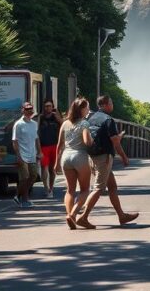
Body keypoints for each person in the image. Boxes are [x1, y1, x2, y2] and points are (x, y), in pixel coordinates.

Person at [78, 95, 139, 228]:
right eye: (111, 103)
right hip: (103, 157)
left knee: (112, 187)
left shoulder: (90, 118)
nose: (112, 105)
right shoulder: (108, 120)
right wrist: (124, 157)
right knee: (98, 188)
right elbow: (115, 142)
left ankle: (121, 216)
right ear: (105, 104)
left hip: (92, 156)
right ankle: (83, 216)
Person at [55, 97, 92, 230]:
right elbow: (87, 142)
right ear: (81, 109)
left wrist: (56, 163)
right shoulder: (84, 123)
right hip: (79, 156)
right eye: (87, 107)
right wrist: (93, 141)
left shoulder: (65, 123)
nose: (88, 110)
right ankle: (73, 214)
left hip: (65, 157)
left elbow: (59, 145)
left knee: (70, 190)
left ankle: (70, 216)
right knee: (85, 189)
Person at [11, 102, 40, 208]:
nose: (29, 111)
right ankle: (25, 199)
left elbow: (36, 138)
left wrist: (39, 151)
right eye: (27, 109)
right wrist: (18, 156)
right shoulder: (18, 124)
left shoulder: (34, 123)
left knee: (33, 176)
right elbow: (15, 141)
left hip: (32, 154)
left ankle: (17, 195)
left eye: (31, 109)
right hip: (22, 155)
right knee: (24, 177)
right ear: (22, 110)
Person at [38, 99, 62, 197]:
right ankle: (46, 188)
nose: (48, 108)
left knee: (52, 169)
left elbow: (63, 125)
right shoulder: (41, 117)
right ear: (44, 107)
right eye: (46, 106)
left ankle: (51, 188)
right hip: (44, 146)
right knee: (44, 168)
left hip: (54, 145)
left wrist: (58, 118)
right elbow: (37, 131)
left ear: (52, 107)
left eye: (50, 106)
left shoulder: (56, 117)